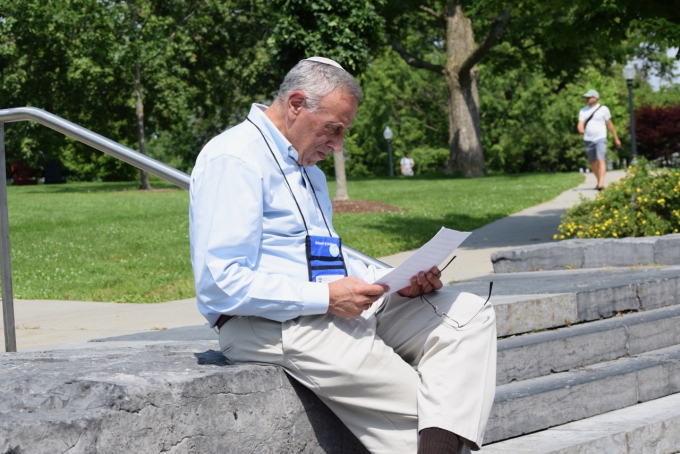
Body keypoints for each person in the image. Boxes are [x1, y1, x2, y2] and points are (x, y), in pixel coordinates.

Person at [189, 57, 497, 454]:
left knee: (468, 314)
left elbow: (324, 258)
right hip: (265, 323)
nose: (337, 145)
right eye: (333, 129)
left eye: (342, 132)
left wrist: (395, 281)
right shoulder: (234, 158)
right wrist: (327, 297)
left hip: (328, 307)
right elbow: (220, 284)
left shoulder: (310, 172)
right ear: (296, 103)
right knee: (428, 407)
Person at [577, 89, 621, 190]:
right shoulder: (583, 111)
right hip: (588, 139)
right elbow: (580, 123)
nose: (587, 99)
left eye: (589, 97)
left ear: (595, 98)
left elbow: (610, 124)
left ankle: (601, 183)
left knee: (601, 159)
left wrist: (616, 138)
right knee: (593, 162)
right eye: (586, 97)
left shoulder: (603, 109)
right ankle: (598, 180)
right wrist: (580, 129)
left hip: (601, 137)